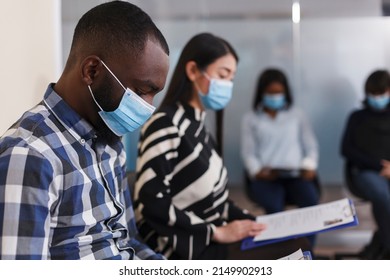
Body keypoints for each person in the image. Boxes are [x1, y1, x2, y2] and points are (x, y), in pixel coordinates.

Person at [0, 1, 169, 260]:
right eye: (141, 91)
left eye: (153, 95)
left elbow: (128, 241)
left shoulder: (111, 141)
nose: (148, 107)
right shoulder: (30, 155)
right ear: (92, 71)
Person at [133, 33, 310, 260]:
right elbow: (152, 203)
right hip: (186, 246)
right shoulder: (166, 124)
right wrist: (216, 232)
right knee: (297, 250)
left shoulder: (197, 126)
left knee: (297, 242)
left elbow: (217, 201)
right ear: (193, 71)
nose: (227, 85)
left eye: (231, 79)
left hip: (212, 236)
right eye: (222, 75)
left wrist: (257, 223)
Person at [241, 68, 320, 215]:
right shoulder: (251, 118)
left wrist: (309, 165)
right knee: (274, 207)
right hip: (266, 176)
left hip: (296, 174)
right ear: (262, 93)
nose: (275, 97)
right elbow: (248, 152)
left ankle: (305, 239)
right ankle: (280, 239)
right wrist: (257, 171)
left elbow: (311, 146)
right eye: (271, 93)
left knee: (310, 201)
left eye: (279, 92)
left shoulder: (297, 115)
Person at [340, 69, 390, 259]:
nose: (377, 98)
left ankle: (382, 243)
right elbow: (347, 149)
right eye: (373, 94)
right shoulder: (357, 117)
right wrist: (380, 167)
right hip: (365, 172)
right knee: (382, 195)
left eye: (381, 93)